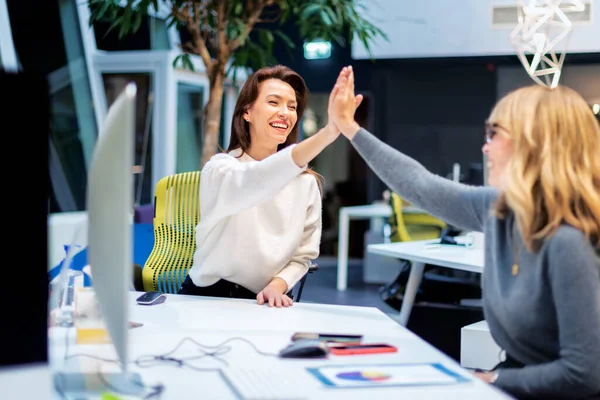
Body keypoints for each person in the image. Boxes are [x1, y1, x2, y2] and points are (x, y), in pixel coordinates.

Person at [329, 66, 600, 399]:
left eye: (494, 133)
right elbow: (421, 186)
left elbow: (583, 375)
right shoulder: (499, 210)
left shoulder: (568, 241)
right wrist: (350, 128)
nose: (485, 148)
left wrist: (487, 382)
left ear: (533, 144)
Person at [178, 65, 352, 308]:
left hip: (269, 300)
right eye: (274, 102)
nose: (285, 113)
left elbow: (303, 255)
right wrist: (328, 133)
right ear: (247, 112)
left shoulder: (306, 183)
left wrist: (279, 284)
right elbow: (256, 181)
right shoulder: (220, 169)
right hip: (209, 297)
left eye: (292, 107)